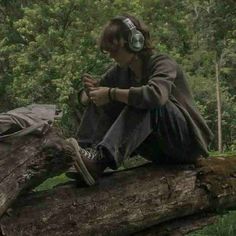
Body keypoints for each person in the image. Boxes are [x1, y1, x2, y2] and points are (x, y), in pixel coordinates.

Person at [63, 14, 213, 186]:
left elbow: (156, 96)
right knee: (107, 98)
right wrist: (91, 92)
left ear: (135, 42)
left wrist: (111, 93)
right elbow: (91, 97)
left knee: (146, 100)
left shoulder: (162, 62)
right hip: (158, 149)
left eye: (115, 49)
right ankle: (84, 156)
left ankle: (100, 160)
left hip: (186, 146)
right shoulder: (120, 71)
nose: (111, 55)